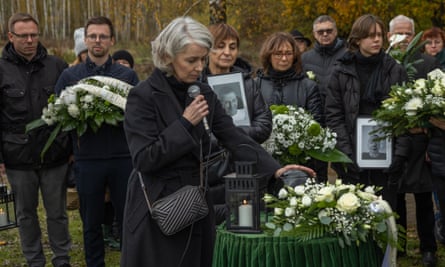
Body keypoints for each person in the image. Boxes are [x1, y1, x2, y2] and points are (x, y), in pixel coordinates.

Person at [121, 16, 315, 267]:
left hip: (196, 205)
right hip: (159, 207)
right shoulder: (143, 96)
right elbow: (145, 158)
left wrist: (275, 169)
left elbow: (234, 139)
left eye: (202, 59)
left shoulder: (202, 91)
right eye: (191, 60)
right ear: (168, 56)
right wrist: (184, 124)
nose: (199, 67)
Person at [55, 16, 139, 267]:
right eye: (92, 36)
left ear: (112, 41)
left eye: (103, 36)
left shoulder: (127, 76)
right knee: (91, 221)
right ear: (85, 40)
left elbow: (139, 114)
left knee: (128, 219)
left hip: (123, 158)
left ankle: (130, 261)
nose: (97, 41)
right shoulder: (71, 76)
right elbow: (59, 114)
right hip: (88, 159)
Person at [0, 13, 71, 267]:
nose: (30, 40)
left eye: (34, 34)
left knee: (58, 213)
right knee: (26, 214)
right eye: (23, 35)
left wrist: (71, 147)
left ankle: (62, 258)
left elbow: (71, 109)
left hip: (55, 155)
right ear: (10, 36)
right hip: (18, 157)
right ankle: (34, 260)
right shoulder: (1, 70)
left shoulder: (57, 66)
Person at [325, 14, 407, 208]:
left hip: (387, 154)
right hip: (352, 153)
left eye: (379, 35)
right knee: (354, 212)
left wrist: (399, 155)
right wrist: (345, 155)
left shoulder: (395, 70)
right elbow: (334, 116)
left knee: (386, 213)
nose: (377, 39)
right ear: (358, 39)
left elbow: (404, 116)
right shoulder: (341, 71)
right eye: (370, 35)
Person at [200, 23, 272, 225]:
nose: (227, 52)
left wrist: (233, 135)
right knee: (212, 228)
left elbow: (264, 124)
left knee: (244, 223)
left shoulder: (249, 83)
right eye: (220, 46)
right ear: (207, 49)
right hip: (210, 168)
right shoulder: (197, 85)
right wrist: (221, 139)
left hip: (246, 165)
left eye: (232, 46)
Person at [388, 15, 439, 265]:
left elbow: (436, 101)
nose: (404, 38)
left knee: (423, 198)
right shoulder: (384, 63)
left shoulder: (428, 63)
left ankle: (428, 247)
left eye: (408, 33)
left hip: (421, 140)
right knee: (394, 196)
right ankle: (399, 247)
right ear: (389, 36)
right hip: (394, 141)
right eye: (399, 33)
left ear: (415, 36)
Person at [256, 32, 325, 181]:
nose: (284, 58)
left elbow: (317, 124)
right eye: (278, 53)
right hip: (265, 161)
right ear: (268, 55)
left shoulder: (308, 86)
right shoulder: (256, 85)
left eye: (288, 53)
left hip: (300, 161)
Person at [301, 15, 347, 109]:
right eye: (320, 32)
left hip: (341, 112)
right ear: (314, 34)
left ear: (335, 32)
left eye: (329, 31)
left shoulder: (348, 55)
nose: (325, 34)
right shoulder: (305, 59)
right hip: (313, 112)